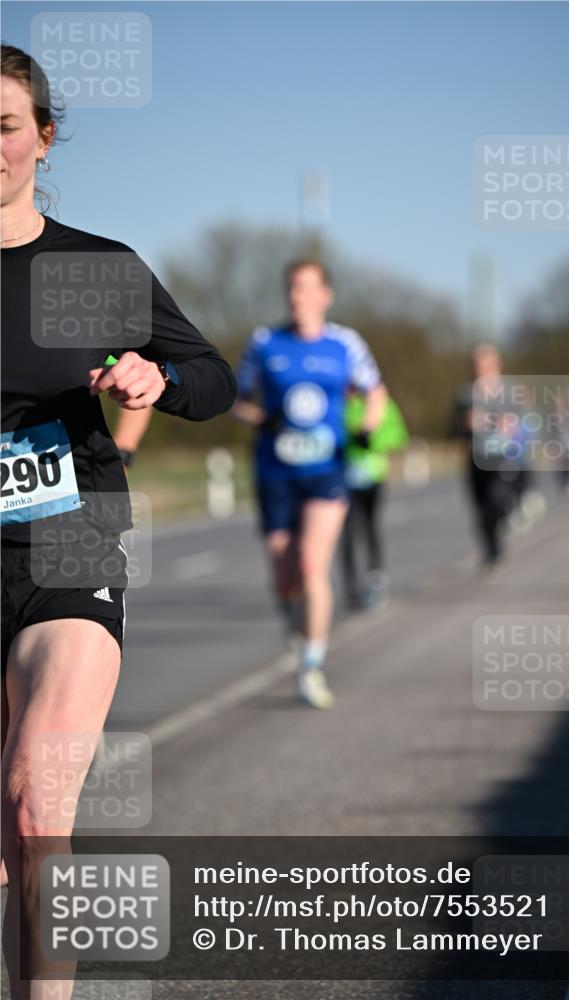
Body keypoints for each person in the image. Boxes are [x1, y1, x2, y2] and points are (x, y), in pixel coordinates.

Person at [0, 45, 236, 999]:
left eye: (4, 127)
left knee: (33, 804)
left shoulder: (93, 268)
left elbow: (216, 379)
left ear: (42, 138)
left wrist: (160, 377)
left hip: (67, 539)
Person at [233, 259, 387, 708]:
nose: (298, 297)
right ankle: (292, 617)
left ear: (326, 295)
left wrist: (367, 427)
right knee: (284, 576)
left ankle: (312, 666)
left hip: (326, 471)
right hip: (275, 473)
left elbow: (375, 390)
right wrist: (263, 418)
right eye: (292, 289)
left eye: (306, 288)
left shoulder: (345, 343)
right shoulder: (264, 343)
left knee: (311, 566)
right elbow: (235, 401)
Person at [450, 344, 520, 570]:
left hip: (501, 456)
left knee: (497, 501)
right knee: (481, 508)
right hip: (475, 458)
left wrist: (499, 423)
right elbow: (452, 428)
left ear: (497, 365)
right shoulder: (464, 395)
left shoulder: (509, 393)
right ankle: (491, 551)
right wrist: (464, 427)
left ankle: (501, 531)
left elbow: (522, 424)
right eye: (477, 365)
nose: (481, 369)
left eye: (486, 364)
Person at [341, 390, 408, 610]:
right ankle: (350, 587)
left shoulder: (380, 402)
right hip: (342, 478)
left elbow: (398, 435)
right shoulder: (335, 400)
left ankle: (375, 579)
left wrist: (371, 438)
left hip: (372, 475)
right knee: (347, 532)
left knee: (370, 527)